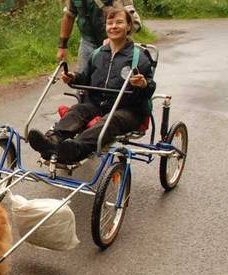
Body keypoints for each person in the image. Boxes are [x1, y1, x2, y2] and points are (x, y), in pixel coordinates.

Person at [29, 7, 155, 164]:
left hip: (127, 110)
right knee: (78, 110)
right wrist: (73, 78)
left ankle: (76, 149)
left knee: (111, 120)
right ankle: (51, 141)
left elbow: (150, 88)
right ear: (105, 26)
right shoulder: (98, 54)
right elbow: (85, 79)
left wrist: (143, 84)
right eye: (110, 23)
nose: (114, 26)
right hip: (98, 105)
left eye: (119, 22)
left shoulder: (139, 57)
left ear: (128, 26)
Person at [58, 0, 142, 72]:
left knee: (117, 78)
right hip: (87, 42)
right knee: (82, 79)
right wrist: (62, 46)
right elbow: (69, 16)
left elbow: (127, 17)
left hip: (116, 44)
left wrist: (114, 39)